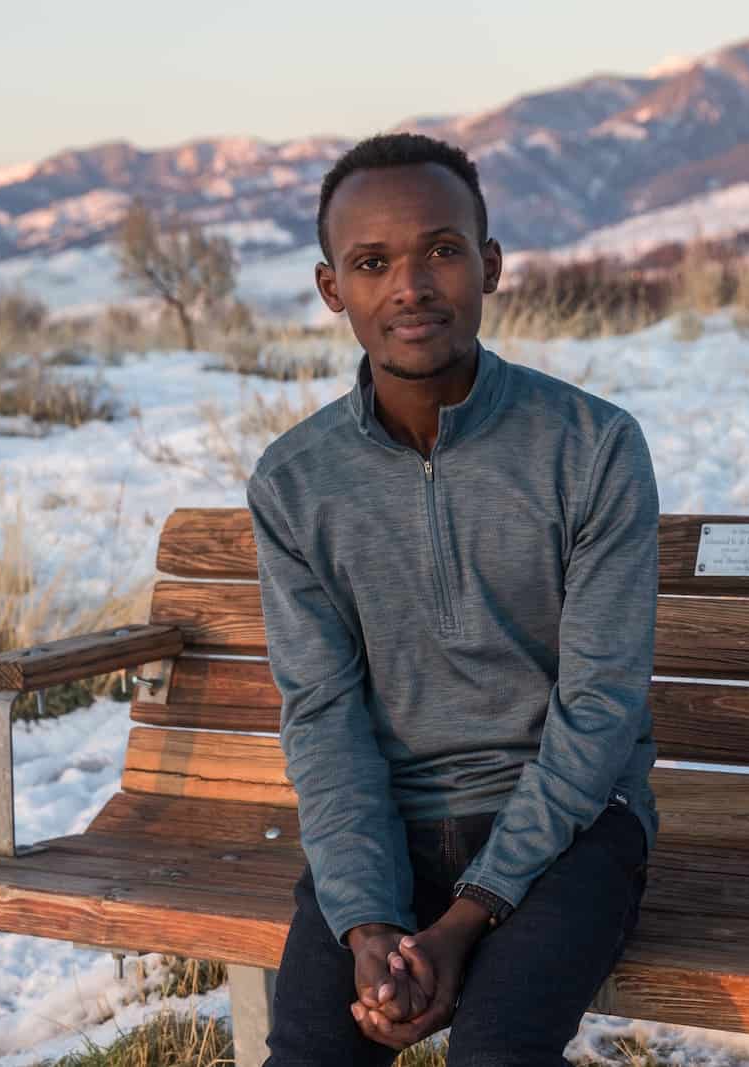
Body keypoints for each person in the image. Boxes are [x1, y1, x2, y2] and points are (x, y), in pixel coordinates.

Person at [245, 131, 660, 1065]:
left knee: (498, 1050)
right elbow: (323, 718)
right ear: (331, 290)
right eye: (371, 262)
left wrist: (465, 919)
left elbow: (598, 711)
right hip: (388, 828)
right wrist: (366, 924)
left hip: (574, 829)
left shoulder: (591, 448)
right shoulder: (296, 483)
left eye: (440, 250)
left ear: (491, 264)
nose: (410, 286)